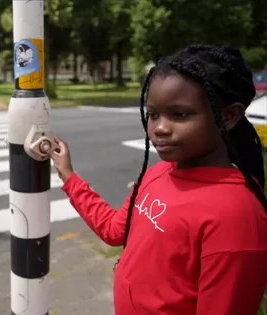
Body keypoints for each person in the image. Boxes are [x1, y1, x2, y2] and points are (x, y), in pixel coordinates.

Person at [50, 44, 267, 315]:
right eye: (152, 114)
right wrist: (69, 177)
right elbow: (114, 230)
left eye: (180, 114)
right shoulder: (157, 173)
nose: (160, 128)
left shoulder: (237, 215)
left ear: (228, 115)